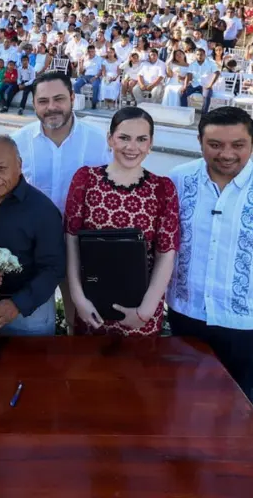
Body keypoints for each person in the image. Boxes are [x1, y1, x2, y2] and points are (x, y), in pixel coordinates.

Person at [168, 107, 253, 401]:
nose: (226, 154)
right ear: (200, 142)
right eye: (215, 145)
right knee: (181, 391)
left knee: (236, 399)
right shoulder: (179, 180)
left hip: (243, 320)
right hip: (187, 311)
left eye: (238, 145)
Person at [63, 108, 178, 336]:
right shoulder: (86, 179)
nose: (132, 147)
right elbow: (71, 240)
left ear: (150, 143)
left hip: (141, 308)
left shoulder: (162, 188)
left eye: (141, 139)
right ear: (110, 139)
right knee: (86, 369)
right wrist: (78, 298)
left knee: (136, 370)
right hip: (91, 305)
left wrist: (145, 311)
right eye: (124, 137)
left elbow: (166, 252)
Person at [11, 71, 111, 333]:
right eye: (43, 101)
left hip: (80, 246)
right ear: (34, 104)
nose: (51, 107)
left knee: (77, 321)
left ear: (72, 98)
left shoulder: (97, 140)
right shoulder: (17, 142)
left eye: (58, 99)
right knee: (32, 325)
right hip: (32, 249)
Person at [0, 134, 65, 335]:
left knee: (28, 366)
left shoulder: (42, 210)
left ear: (19, 165)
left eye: (1, 168)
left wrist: (17, 305)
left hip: (29, 313)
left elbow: (54, 268)